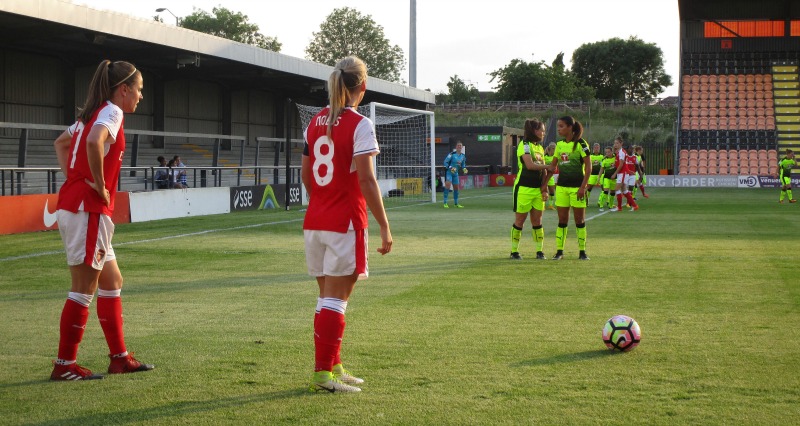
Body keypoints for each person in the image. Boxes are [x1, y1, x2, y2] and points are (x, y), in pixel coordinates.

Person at [50, 60, 153, 381]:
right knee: (83, 288)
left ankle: (119, 358)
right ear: (123, 90)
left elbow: (61, 143)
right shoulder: (112, 111)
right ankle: (64, 365)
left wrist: (76, 177)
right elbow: (95, 142)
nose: (140, 97)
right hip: (88, 209)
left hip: (79, 206)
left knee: (112, 281)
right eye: (138, 90)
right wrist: (97, 183)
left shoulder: (88, 115)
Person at [301, 55, 392, 393]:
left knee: (326, 297)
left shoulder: (314, 123)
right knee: (336, 300)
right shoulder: (360, 124)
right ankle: (323, 375)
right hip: (345, 222)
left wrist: (322, 203)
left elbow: (305, 175)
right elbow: (367, 180)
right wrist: (384, 224)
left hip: (316, 220)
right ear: (362, 87)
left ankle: (333, 366)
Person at [510, 119, 555, 260]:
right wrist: (547, 166)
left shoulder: (540, 148)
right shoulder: (524, 145)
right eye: (541, 130)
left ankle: (539, 251)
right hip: (523, 189)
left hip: (537, 190)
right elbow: (529, 165)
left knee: (537, 221)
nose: (543, 133)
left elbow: (543, 172)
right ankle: (514, 251)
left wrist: (544, 189)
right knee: (520, 221)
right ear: (534, 131)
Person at [549, 116, 591, 260]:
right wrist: (544, 184)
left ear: (570, 127)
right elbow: (553, 166)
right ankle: (559, 252)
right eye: (558, 126)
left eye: (561, 126)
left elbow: (589, 167)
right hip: (561, 188)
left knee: (579, 221)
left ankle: (582, 252)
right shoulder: (559, 145)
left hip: (577, 189)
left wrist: (582, 187)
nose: (558, 129)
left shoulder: (581, 144)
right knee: (562, 221)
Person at [609, 137, 638, 212]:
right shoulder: (619, 152)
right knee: (624, 191)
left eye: (617, 143)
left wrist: (614, 174)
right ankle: (634, 205)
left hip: (622, 173)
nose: (615, 145)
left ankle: (619, 207)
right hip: (623, 173)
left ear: (621, 144)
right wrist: (614, 165)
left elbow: (621, 164)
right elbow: (622, 163)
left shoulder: (622, 152)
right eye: (614, 143)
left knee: (617, 189)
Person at [442, 141, 467, 208]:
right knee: (448, 186)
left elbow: (463, 165)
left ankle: (456, 203)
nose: (459, 146)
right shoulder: (452, 154)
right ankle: (445, 203)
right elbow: (445, 162)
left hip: (455, 174)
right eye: (458, 145)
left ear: (462, 147)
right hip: (449, 172)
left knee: (456, 188)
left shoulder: (463, 156)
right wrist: (451, 167)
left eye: (460, 145)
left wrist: (464, 169)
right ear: (456, 147)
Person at [597, 146, 617, 211]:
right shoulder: (604, 160)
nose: (607, 153)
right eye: (606, 152)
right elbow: (601, 169)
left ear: (612, 151)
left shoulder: (616, 158)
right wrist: (599, 177)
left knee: (613, 192)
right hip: (606, 178)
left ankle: (610, 206)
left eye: (609, 152)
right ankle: (601, 205)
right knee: (605, 191)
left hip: (614, 178)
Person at [543, 142, 557, 210]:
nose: (554, 150)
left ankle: (551, 205)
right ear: (549, 149)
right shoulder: (544, 157)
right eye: (553, 148)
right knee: (543, 190)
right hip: (544, 176)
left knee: (552, 191)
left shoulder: (555, 157)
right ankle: (543, 205)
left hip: (551, 177)